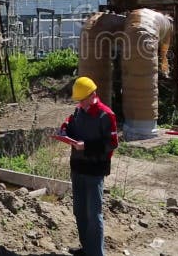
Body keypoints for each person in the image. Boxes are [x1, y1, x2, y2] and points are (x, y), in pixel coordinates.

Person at [59, 76, 118, 256]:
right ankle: (87, 249)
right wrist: (63, 131)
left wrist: (87, 147)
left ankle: (96, 253)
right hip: (77, 168)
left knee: (94, 215)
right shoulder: (78, 112)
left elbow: (112, 143)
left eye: (83, 100)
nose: (81, 104)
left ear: (93, 95)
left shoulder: (106, 115)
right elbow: (70, 124)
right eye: (79, 101)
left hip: (94, 171)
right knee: (80, 212)